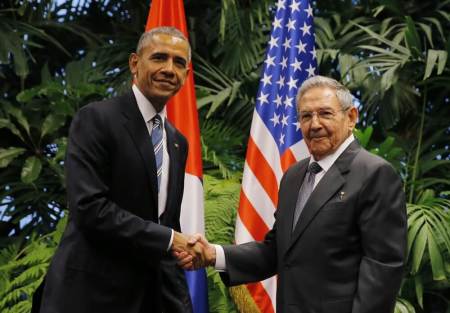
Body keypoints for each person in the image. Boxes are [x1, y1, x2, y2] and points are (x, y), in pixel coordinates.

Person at [177, 76, 407, 313]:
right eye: (306, 116)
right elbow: (277, 250)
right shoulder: (293, 176)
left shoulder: (374, 174)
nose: (314, 124)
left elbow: (382, 269)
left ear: (351, 118)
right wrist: (213, 254)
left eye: (325, 114)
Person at [34, 26, 204, 313]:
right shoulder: (97, 119)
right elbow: (89, 208)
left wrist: (179, 249)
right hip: (89, 297)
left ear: (187, 75)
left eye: (178, 63)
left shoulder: (177, 142)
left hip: (150, 297)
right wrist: (168, 239)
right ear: (135, 64)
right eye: (159, 57)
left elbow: (163, 222)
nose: (168, 69)